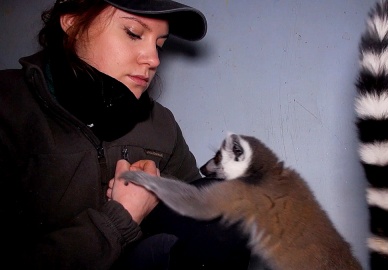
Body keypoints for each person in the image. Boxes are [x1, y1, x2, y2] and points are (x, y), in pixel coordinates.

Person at [0, 0, 250, 269]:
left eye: (159, 44)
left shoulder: (160, 123)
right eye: (133, 33)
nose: (153, 59)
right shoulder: (8, 105)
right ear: (72, 22)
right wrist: (121, 218)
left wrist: (158, 190)